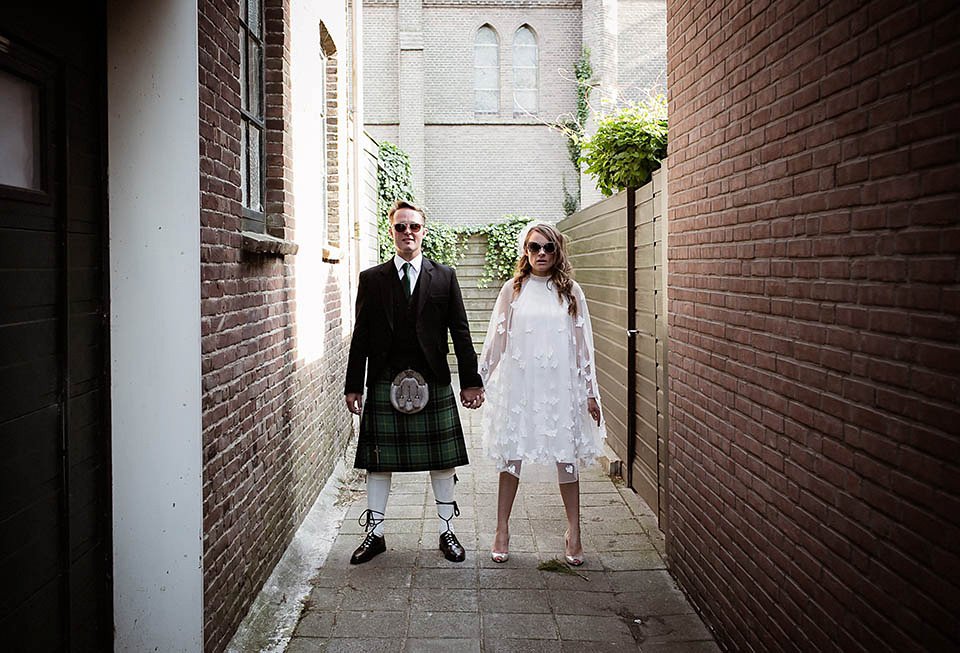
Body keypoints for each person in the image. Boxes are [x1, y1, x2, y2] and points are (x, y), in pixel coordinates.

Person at [345, 199, 485, 564]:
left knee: (442, 461)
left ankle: (446, 531)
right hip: (383, 378)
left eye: (415, 227)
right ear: (391, 232)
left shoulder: (445, 276)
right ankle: (374, 535)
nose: (408, 233)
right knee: (378, 463)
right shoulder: (372, 279)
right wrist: (353, 385)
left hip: (433, 378)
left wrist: (471, 381)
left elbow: (461, 331)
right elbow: (360, 335)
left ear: (424, 231)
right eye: (400, 227)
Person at [478, 221, 605, 566]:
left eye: (548, 247)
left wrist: (590, 392)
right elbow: (497, 341)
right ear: (526, 251)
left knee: (567, 457)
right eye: (535, 247)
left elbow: (584, 347)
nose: (542, 254)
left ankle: (574, 532)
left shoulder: (571, 291)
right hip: (521, 385)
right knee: (511, 457)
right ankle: (502, 530)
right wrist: (480, 380)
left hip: (560, 387)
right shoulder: (512, 290)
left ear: (558, 251)